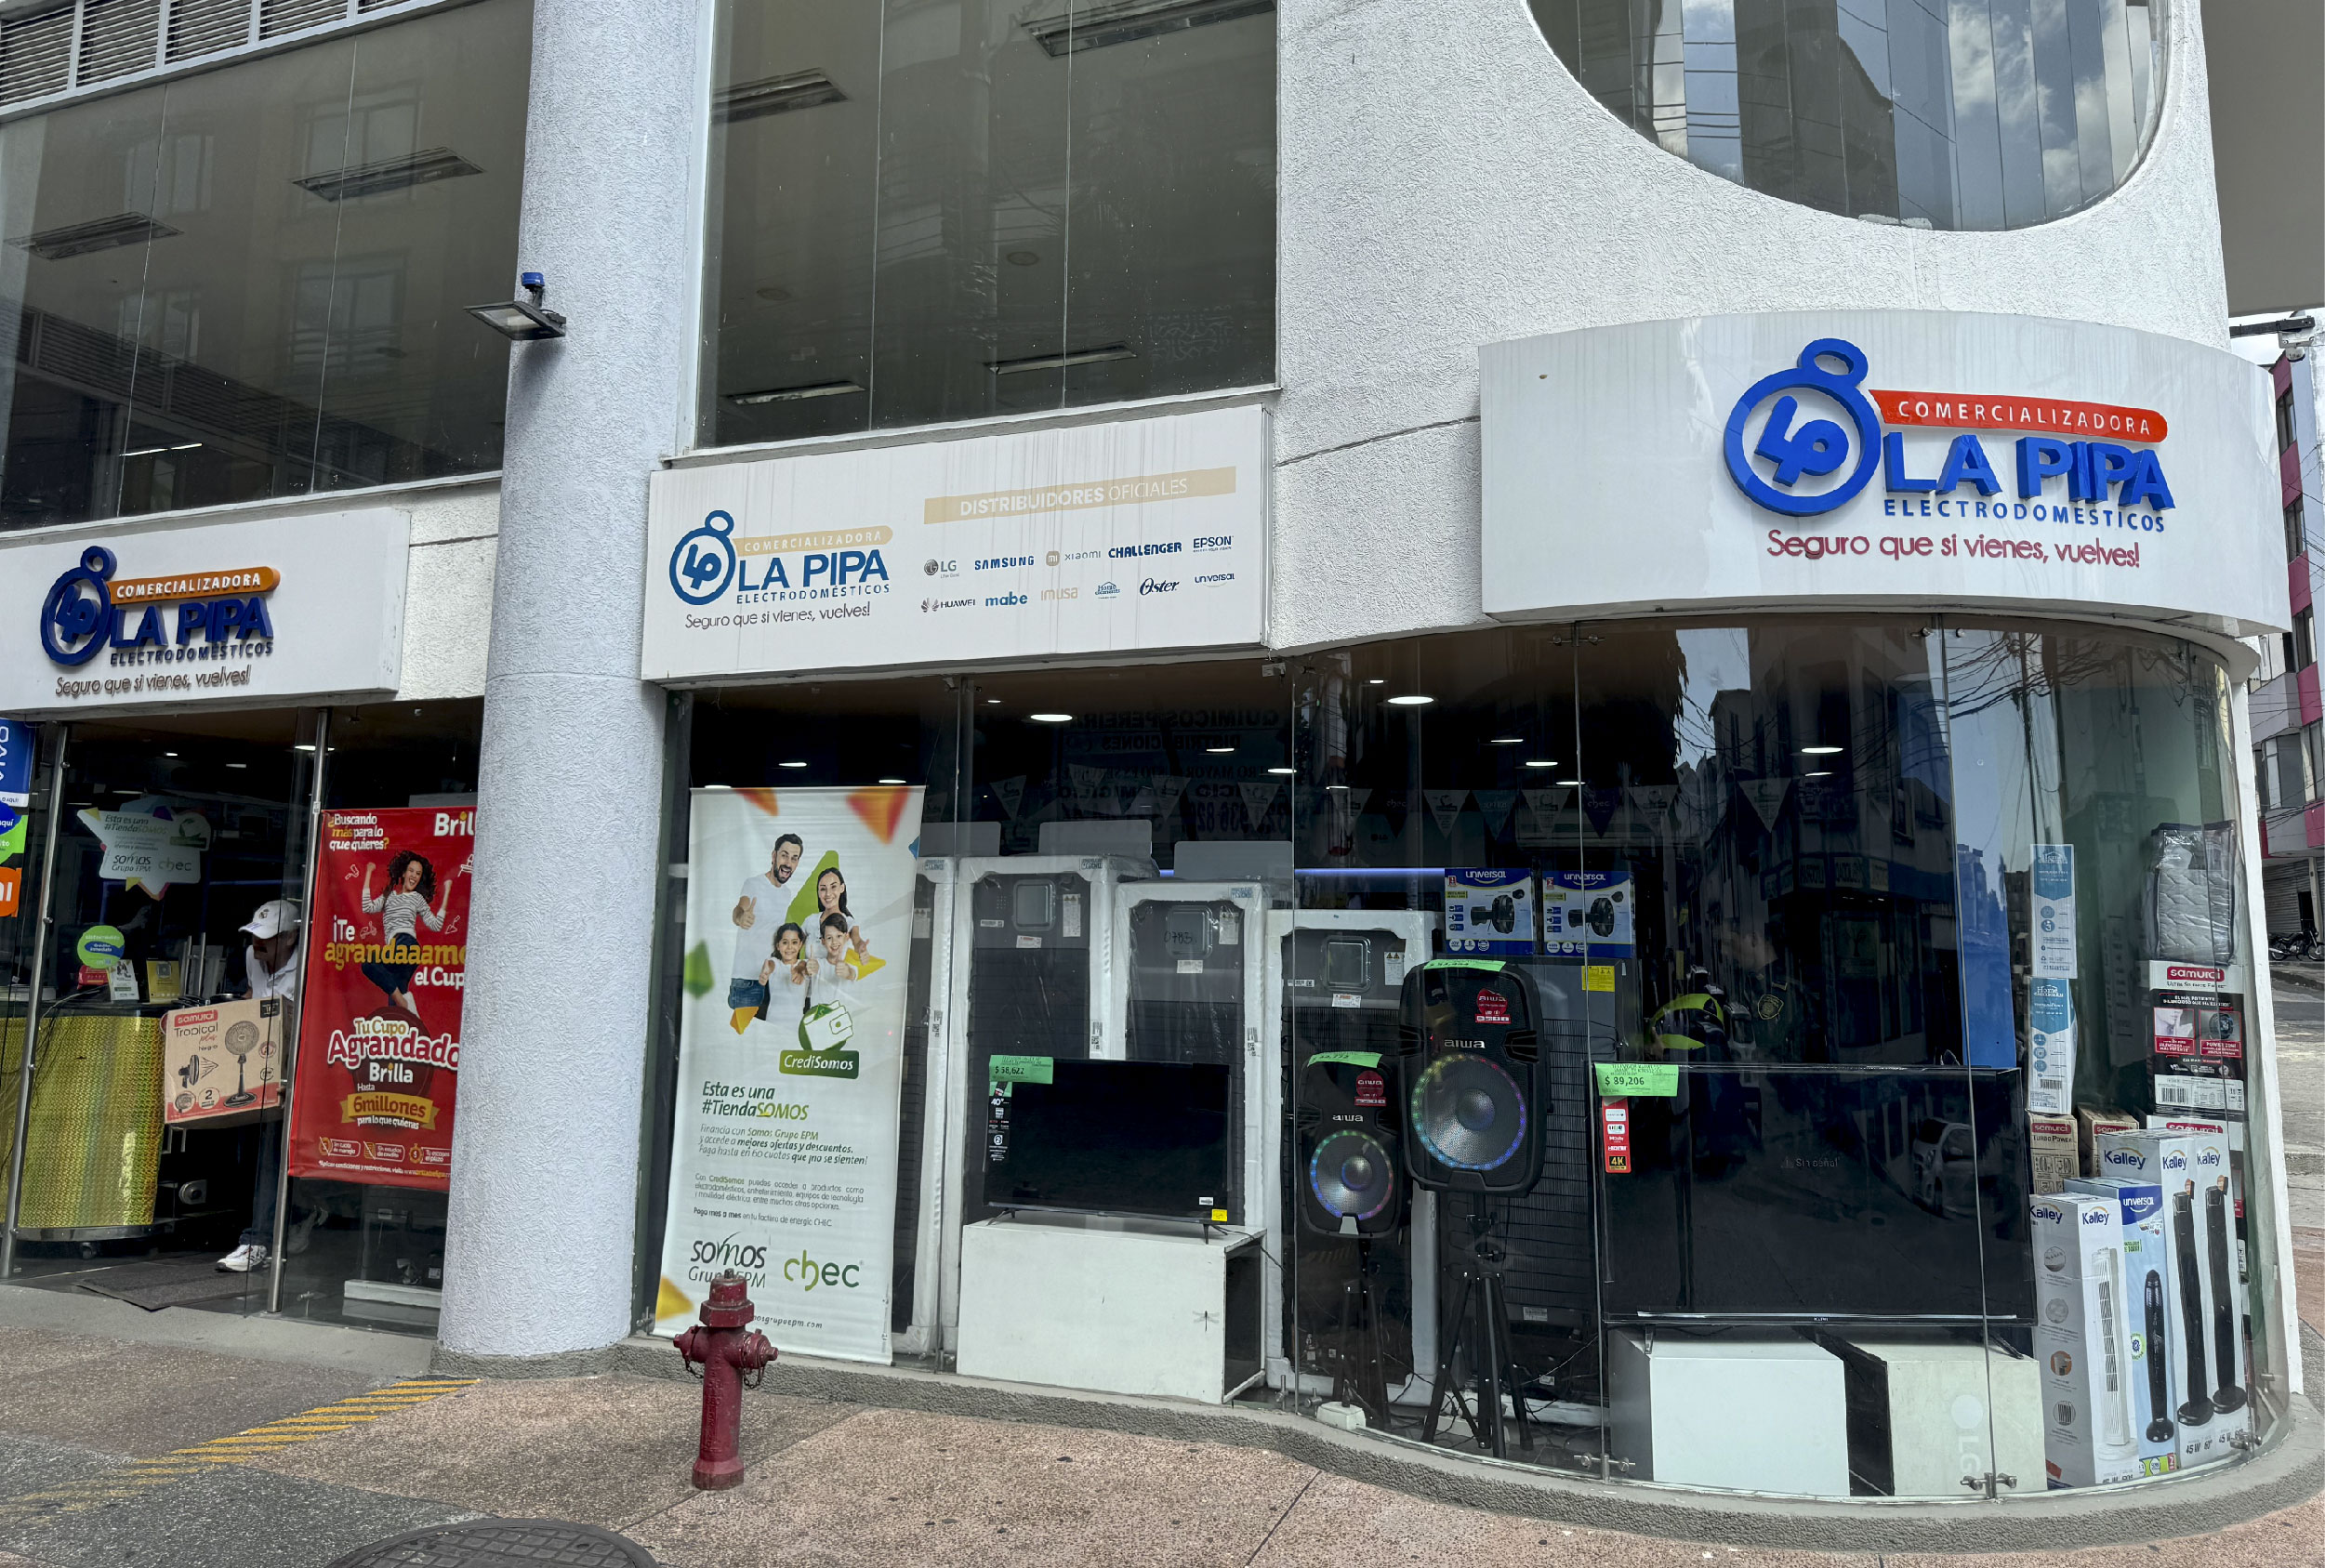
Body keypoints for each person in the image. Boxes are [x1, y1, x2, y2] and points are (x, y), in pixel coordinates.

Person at [218, 899, 301, 1274]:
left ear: (290, 938)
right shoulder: (254, 958)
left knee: (271, 1152)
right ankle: (289, 1221)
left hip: (291, 1069)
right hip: (256, 1065)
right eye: (255, 936)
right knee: (252, 1149)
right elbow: (252, 997)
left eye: (267, 938)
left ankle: (259, 1240)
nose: (258, 944)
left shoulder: (306, 965)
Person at [359, 850, 455, 1026]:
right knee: (395, 1005)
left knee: (369, 963)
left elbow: (435, 925)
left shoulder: (417, 898)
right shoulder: (389, 896)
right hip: (395, 948)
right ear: (403, 872)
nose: (414, 876)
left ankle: (404, 1004)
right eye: (411, 871)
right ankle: (411, 1017)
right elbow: (367, 907)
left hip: (408, 946)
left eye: (418, 873)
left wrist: (447, 893)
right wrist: (369, 873)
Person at [729, 833, 803, 1034]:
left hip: (772, 979)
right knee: (742, 1038)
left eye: (794, 858)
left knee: (768, 1039)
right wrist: (741, 917)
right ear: (774, 856)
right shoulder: (753, 884)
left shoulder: (786, 893)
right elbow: (740, 908)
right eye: (784, 855)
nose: (788, 863)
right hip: (747, 980)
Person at [756, 921, 812, 1034]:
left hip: (796, 1027)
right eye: (785, 942)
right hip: (773, 1024)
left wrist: (799, 970)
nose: (790, 947)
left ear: (800, 944)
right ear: (778, 946)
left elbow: (804, 966)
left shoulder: (804, 965)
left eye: (794, 942)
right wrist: (765, 972)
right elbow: (770, 965)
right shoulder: (775, 963)